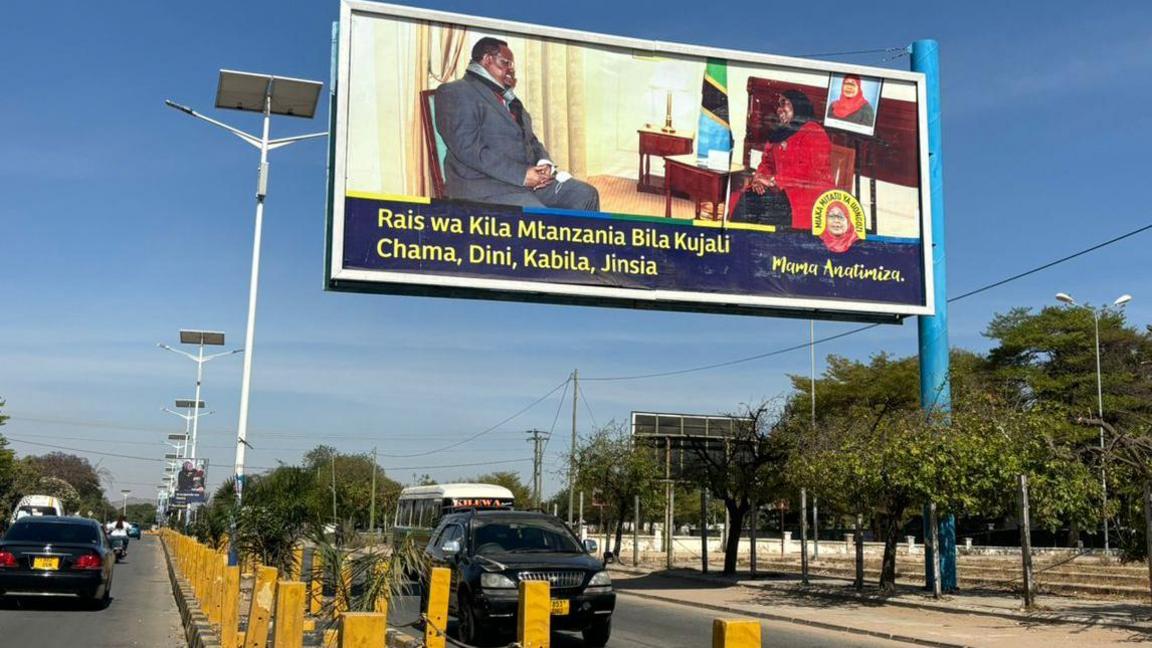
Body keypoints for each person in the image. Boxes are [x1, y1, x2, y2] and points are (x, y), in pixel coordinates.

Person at [434, 37, 600, 211]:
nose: (510, 70)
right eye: (505, 63)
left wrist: (544, 162)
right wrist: (522, 175)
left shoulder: (508, 98)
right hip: (484, 187)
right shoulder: (456, 91)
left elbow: (530, 139)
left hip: (524, 182)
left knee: (585, 195)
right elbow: (468, 149)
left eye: (512, 65)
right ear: (487, 59)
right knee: (538, 218)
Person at [730, 90, 832, 230]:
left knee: (768, 210)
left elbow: (808, 170)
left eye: (785, 103)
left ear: (798, 106)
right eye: (779, 104)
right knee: (750, 197)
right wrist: (759, 179)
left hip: (806, 195)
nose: (779, 109)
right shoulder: (779, 133)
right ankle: (738, 242)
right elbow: (767, 163)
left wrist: (773, 181)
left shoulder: (814, 131)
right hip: (781, 189)